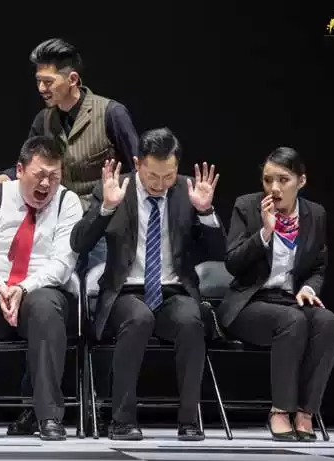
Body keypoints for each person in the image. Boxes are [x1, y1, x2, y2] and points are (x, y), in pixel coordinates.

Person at [0, 38, 139, 436]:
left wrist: (108, 204)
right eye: (38, 81)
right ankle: (35, 407)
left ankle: (99, 408)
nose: (41, 88)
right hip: (53, 223)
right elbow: (29, 162)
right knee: (43, 307)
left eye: (48, 81)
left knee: (93, 314)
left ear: (72, 79)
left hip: (99, 229)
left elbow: (137, 170)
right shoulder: (44, 120)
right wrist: (0, 179)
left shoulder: (110, 113)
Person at [70, 127, 226, 441]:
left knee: (191, 321)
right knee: (138, 318)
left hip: (173, 291)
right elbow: (79, 243)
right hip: (124, 292)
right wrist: (107, 208)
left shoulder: (187, 190)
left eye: (168, 176)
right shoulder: (115, 188)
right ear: (137, 163)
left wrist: (206, 212)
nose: (160, 184)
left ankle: (189, 420)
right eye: (152, 175)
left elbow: (220, 253)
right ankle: (122, 421)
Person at [0, 135, 83, 441]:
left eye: (54, 177)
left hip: (40, 288)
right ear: (19, 170)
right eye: (39, 175)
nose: (46, 184)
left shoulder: (68, 202)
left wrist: (24, 287)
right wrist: (0, 286)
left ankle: (48, 416)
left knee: (47, 308)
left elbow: (63, 262)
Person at [216, 147, 334, 442]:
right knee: (292, 321)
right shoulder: (247, 206)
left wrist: (309, 288)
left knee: (328, 322)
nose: (274, 188)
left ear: (301, 181)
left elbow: (318, 266)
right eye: (267, 179)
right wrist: (265, 233)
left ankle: (306, 412)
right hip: (248, 304)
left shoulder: (315, 214)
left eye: (283, 180)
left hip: (290, 301)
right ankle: (280, 411)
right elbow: (232, 263)